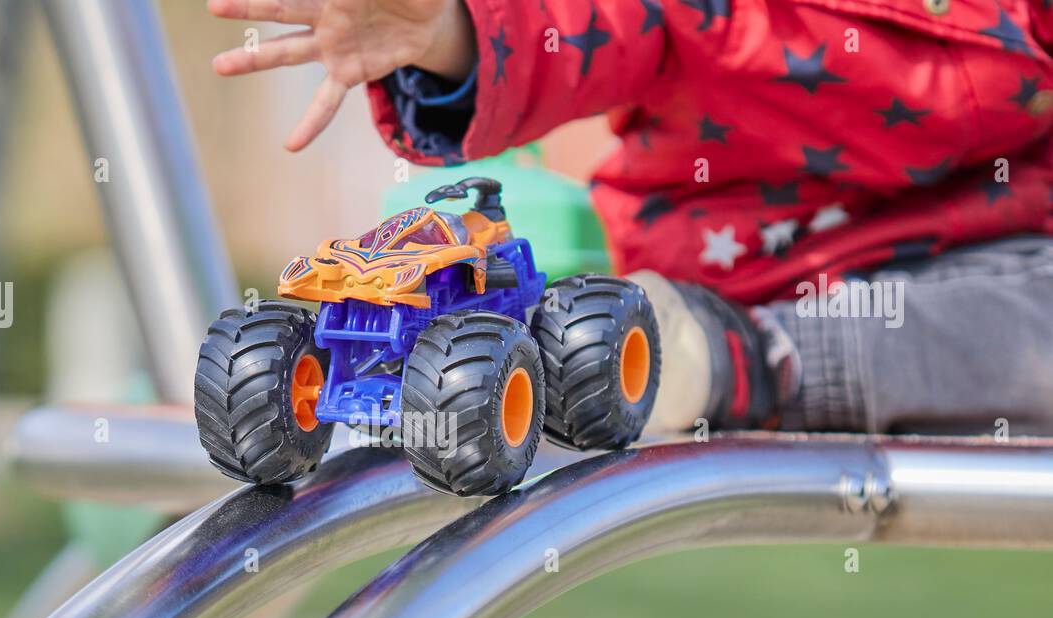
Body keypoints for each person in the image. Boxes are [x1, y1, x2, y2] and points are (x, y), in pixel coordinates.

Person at [207, 0, 1053, 435]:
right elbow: (578, 22)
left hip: (997, 277)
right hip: (734, 281)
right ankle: (698, 357)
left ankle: (747, 367)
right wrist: (453, 28)